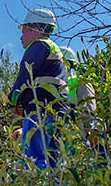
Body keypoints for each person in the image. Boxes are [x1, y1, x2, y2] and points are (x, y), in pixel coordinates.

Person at [8, 9, 69, 169]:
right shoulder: (54, 50)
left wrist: (13, 100)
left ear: (35, 28)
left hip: (39, 112)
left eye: (24, 30)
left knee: (35, 159)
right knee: (54, 162)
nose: (21, 36)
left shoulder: (38, 46)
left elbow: (24, 77)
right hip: (57, 113)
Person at [60, 46, 97, 140]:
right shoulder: (54, 84)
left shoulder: (79, 82)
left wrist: (85, 132)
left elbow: (88, 110)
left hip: (76, 135)